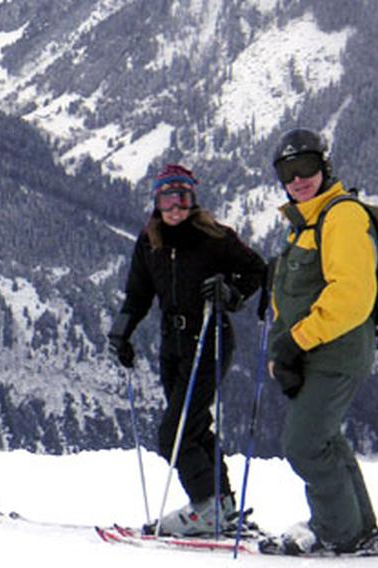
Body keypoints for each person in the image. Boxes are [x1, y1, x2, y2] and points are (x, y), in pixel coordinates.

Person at [107, 163, 266, 536]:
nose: (175, 208)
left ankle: (207, 506)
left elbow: (256, 270)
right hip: (172, 344)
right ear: (156, 202)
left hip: (209, 340)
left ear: (192, 200)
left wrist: (231, 292)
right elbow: (138, 293)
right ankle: (222, 504)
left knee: (173, 435)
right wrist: (122, 333)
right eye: (167, 199)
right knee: (193, 427)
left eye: (182, 198)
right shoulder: (150, 241)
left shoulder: (214, 237)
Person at [267, 128, 378, 554]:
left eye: (306, 166)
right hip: (314, 350)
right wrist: (284, 348)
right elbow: (290, 297)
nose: (298, 179)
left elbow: (352, 294)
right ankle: (359, 525)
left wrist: (296, 342)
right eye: (287, 171)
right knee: (325, 438)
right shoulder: (305, 223)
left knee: (305, 444)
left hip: (336, 351)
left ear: (324, 166)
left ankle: (339, 533)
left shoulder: (341, 215)